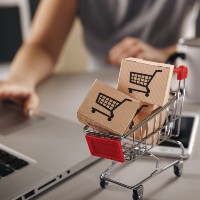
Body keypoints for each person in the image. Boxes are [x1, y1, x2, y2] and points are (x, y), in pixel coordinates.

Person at [0, 0, 199, 116]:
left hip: (175, 79)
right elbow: (42, 45)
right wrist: (19, 81)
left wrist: (166, 54)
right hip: (99, 83)